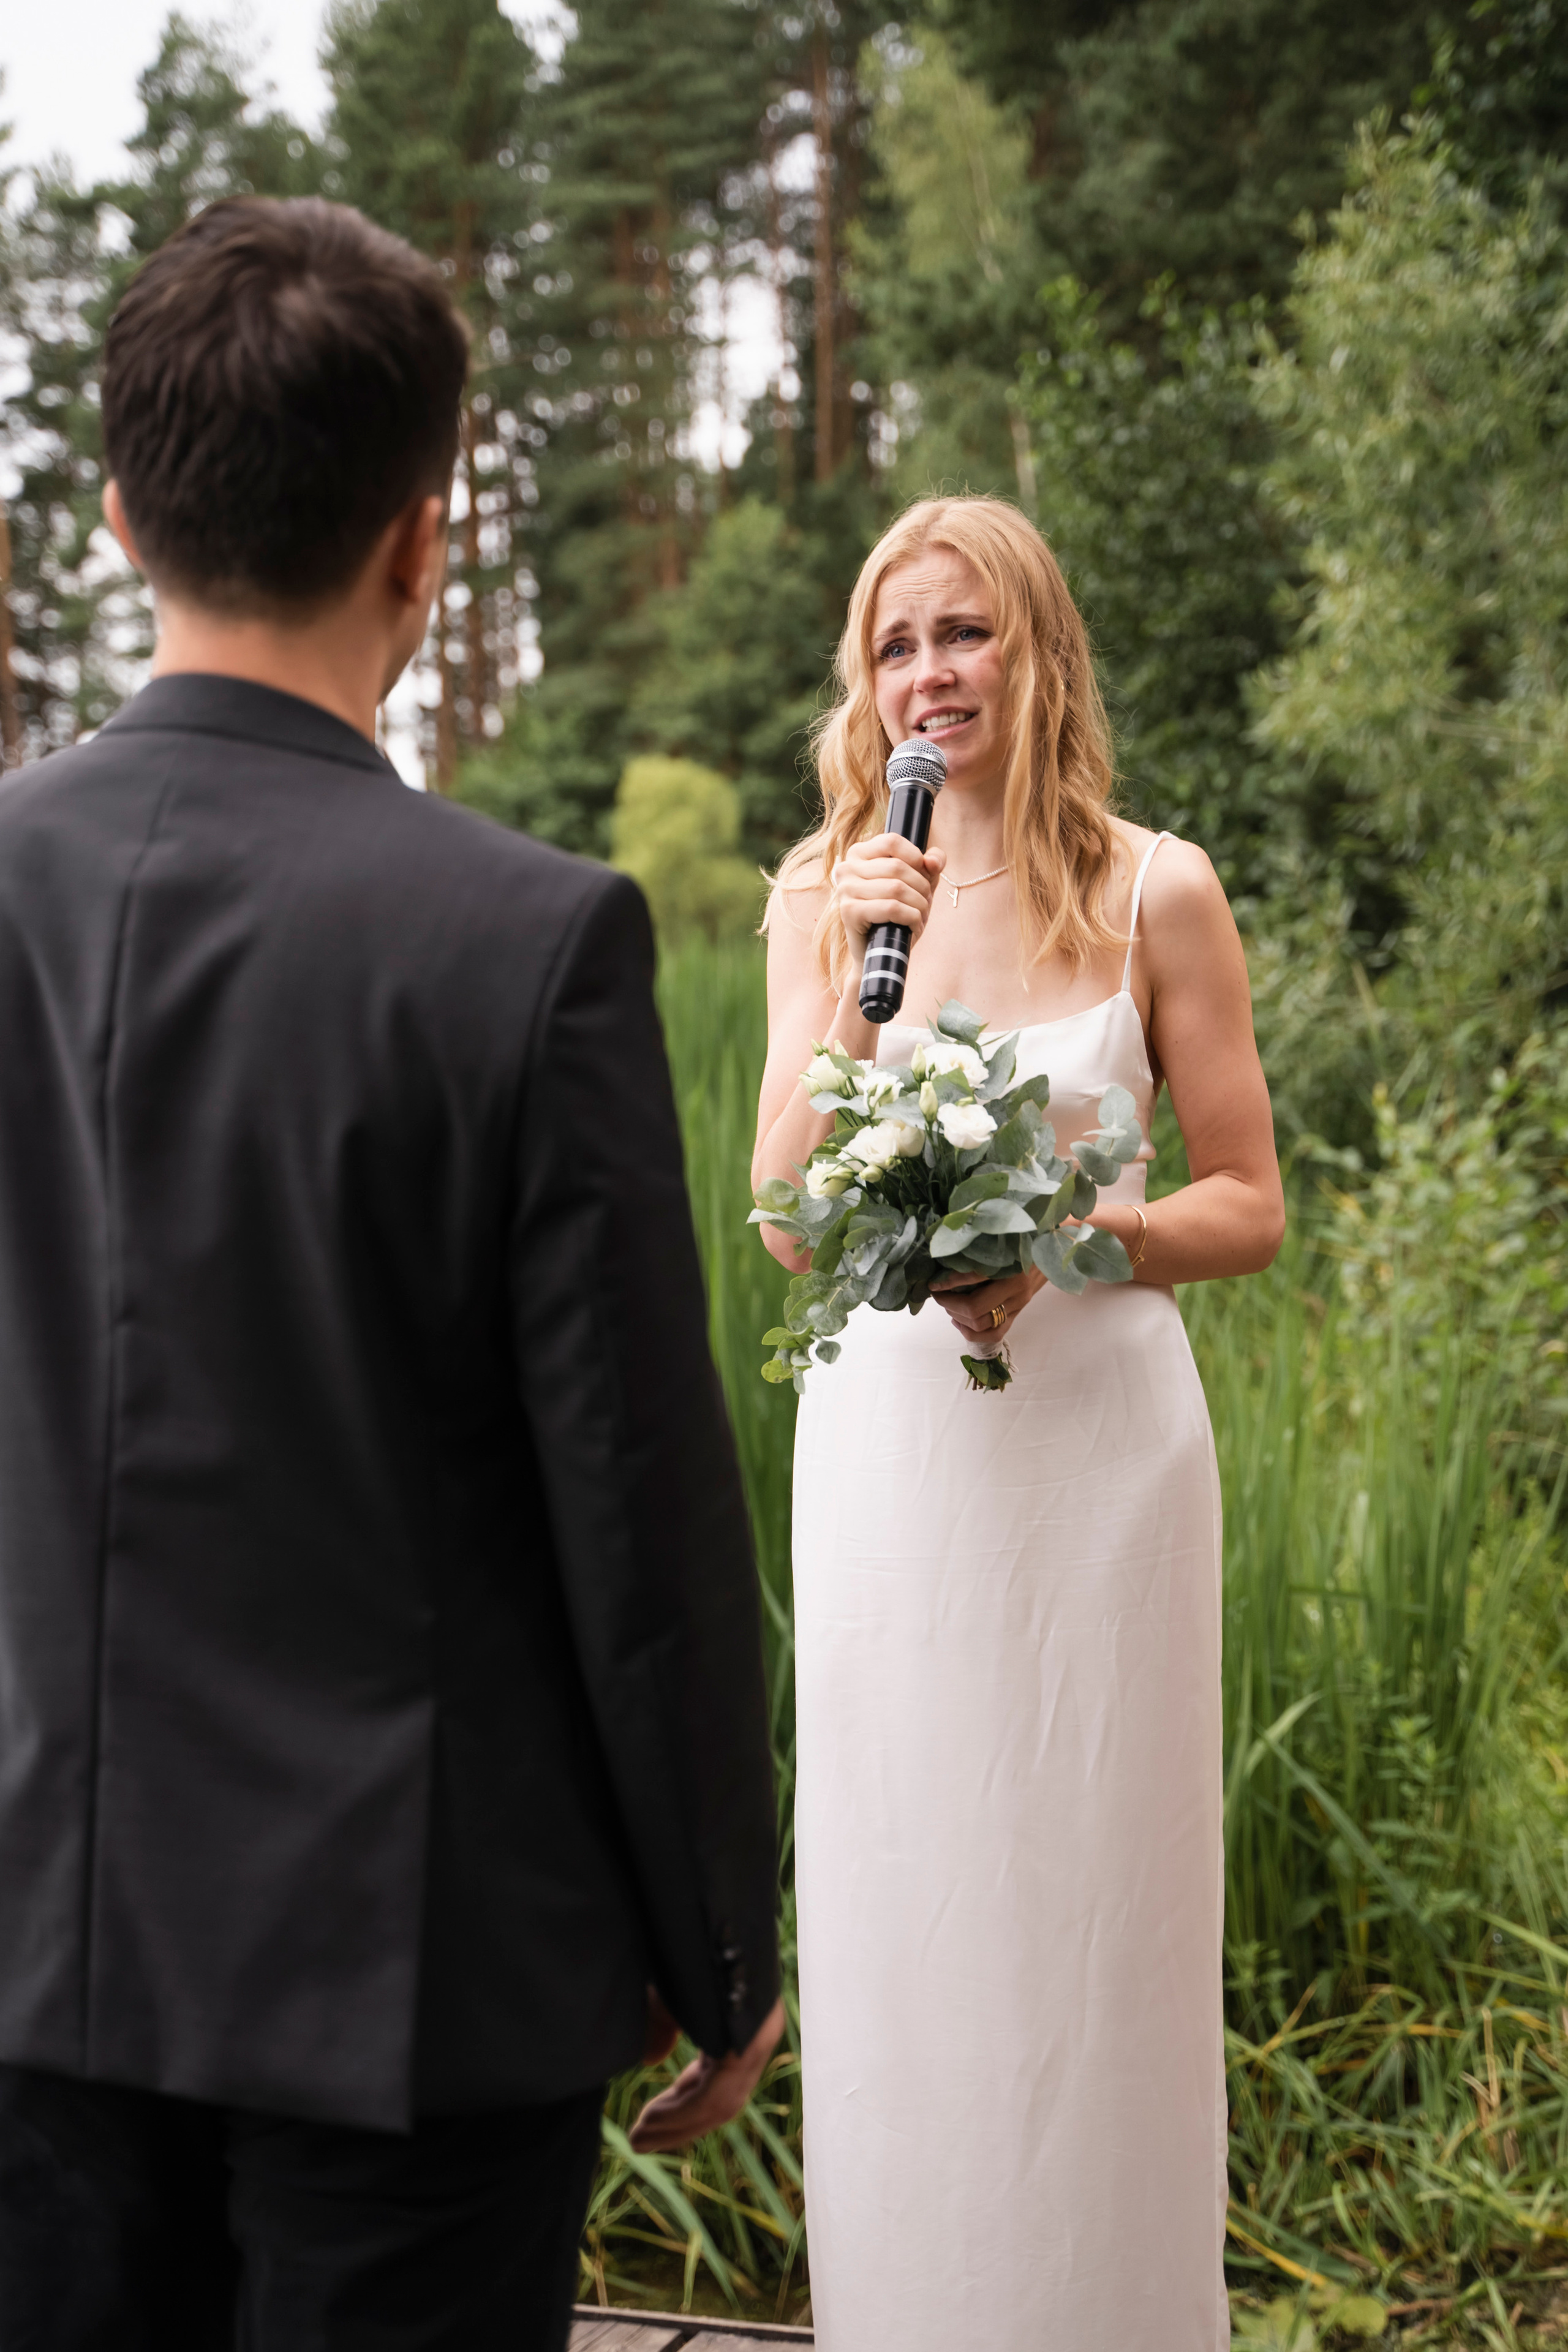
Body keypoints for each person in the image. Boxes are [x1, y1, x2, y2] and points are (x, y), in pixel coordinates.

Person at [0, 196, 782, 2352]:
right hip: (409, 1980)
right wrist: (719, 1942)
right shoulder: (525, 941)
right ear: (424, 546)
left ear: (121, 518)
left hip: (26, 1948)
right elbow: (637, 1505)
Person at [753, 496, 1284, 2351]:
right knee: (913, 1898)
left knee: (1094, 1906)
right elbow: (784, 1215)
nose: (931, 675)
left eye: (964, 632)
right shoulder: (826, 893)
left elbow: (1250, 1203)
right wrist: (850, 978)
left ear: (1037, 647)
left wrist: (1076, 1239)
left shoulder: (1157, 888)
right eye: (896, 646)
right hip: (895, 1470)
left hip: (1100, 1469)